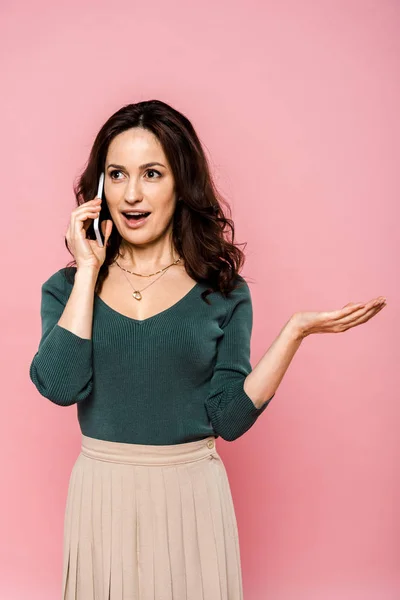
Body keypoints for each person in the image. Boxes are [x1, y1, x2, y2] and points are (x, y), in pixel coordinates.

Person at [29, 99, 386, 600]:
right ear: (99, 188)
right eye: (117, 174)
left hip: (190, 500)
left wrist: (294, 334)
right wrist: (88, 269)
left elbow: (230, 419)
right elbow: (60, 386)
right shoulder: (66, 290)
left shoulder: (222, 291)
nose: (132, 193)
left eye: (152, 173)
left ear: (181, 183)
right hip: (101, 497)